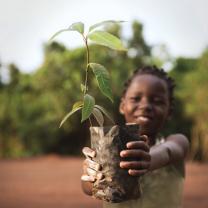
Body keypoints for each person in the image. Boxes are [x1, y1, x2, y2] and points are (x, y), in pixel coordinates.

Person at [81, 65, 189, 208]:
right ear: (122, 106)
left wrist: (148, 158)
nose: (145, 105)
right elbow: (87, 188)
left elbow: (169, 150)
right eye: (136, 98)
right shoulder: (107, 148)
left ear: (169, 111)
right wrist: (91, 176)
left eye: (157, 101)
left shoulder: (176, 142)